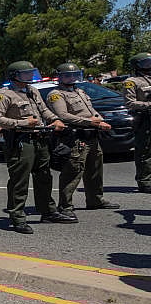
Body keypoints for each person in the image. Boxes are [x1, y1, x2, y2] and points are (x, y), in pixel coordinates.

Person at [0, 61, 71, 234]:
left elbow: (44, 110)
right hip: (21, 141)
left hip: (40, 138)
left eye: (30, 73)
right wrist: (22, 123)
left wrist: (55, 119)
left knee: (44, 176)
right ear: (15, 76)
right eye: (25, 73)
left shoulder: (32, 91)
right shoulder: (4, 94)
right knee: (20, 179)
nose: (30, 76)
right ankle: (17, 216)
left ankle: (48, 211)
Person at [45, 63, 119, 217]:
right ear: (60, 77)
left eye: (74, 75)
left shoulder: (79, 91)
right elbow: (63, 115)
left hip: (92, 135)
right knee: (73, 171)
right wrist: (90, 122)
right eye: (67, 75)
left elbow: (91, 110)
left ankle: (95, 199)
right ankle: (65, 205)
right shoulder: (56, 94)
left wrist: (100, 120)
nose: (71, 78)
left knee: (95, 169)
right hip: (76, 137)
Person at [123, 52, 151, 193]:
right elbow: (130, 102)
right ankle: (145, 181)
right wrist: (148, 105)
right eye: (146, 63)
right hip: (145, 119)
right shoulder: (132, 81)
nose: (149, 65)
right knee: (145, 150)